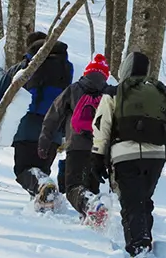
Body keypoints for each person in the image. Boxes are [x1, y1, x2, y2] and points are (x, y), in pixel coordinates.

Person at [92, 51, 166, 258]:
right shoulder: (157, 92)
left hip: (125, 155)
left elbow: (101, 125)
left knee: (131, 202)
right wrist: (164, 139)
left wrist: (97, 155)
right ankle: (144, 240)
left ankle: (138, 248)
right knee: (144, 198)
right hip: (156, 156)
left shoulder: (115, 92)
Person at [0, 30, 73, 204]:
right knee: (41, 170)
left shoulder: (23, 69)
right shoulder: (65, 68)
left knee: (24, 170)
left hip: (28, 129)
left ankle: (44, 188)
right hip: (54, 131)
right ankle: (44, 205)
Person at [40, 54, 113, 219]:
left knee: (73, 187)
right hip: (100, 149)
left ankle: (91, 206)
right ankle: (91, 217)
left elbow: (54, 115)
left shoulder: (74, 89)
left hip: (77, 145)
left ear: (87, 72)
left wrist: (45, 138)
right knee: (91, 186)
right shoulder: (109, 93)